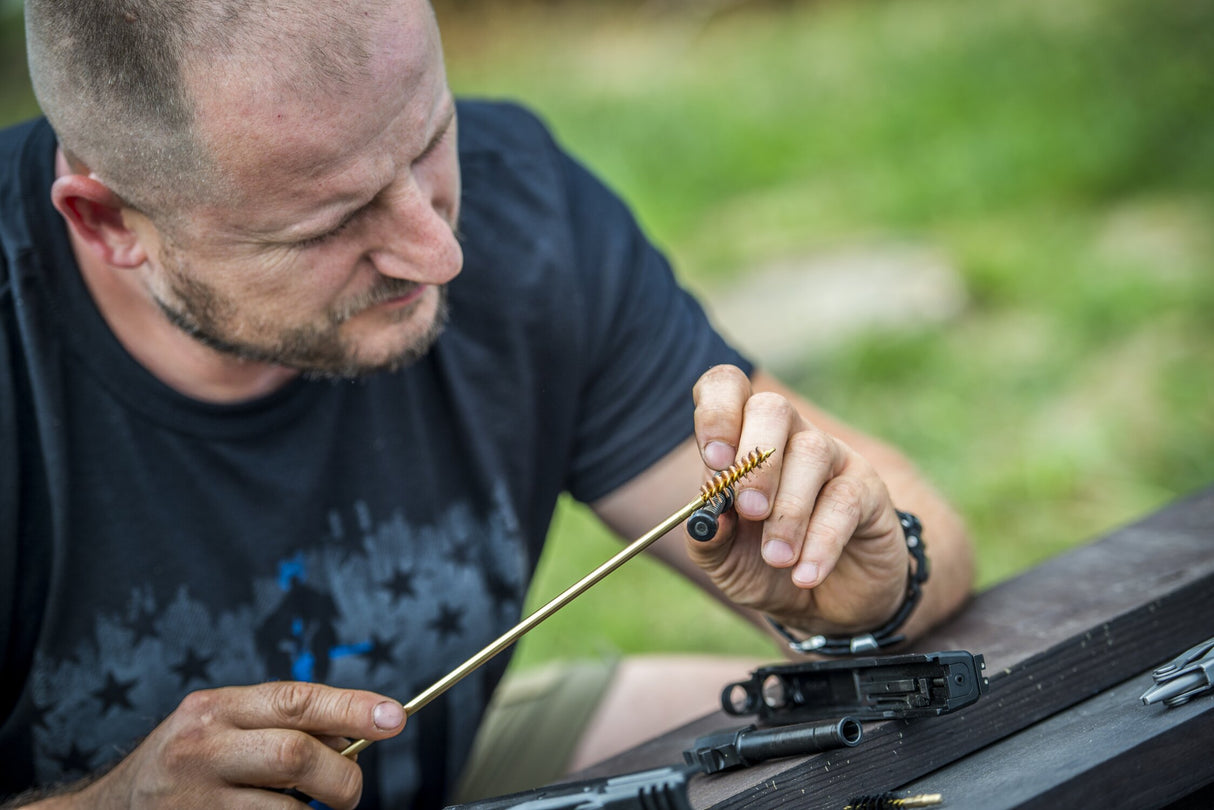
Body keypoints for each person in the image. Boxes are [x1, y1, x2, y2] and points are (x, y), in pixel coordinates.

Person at [0, 1, 973, 808]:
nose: (439, 255)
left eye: (428, 141)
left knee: (898, 760)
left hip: (452, 770)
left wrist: (862, 595)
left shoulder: (522, 205)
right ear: (106, 219)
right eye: (332, 222)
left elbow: (910, 519)